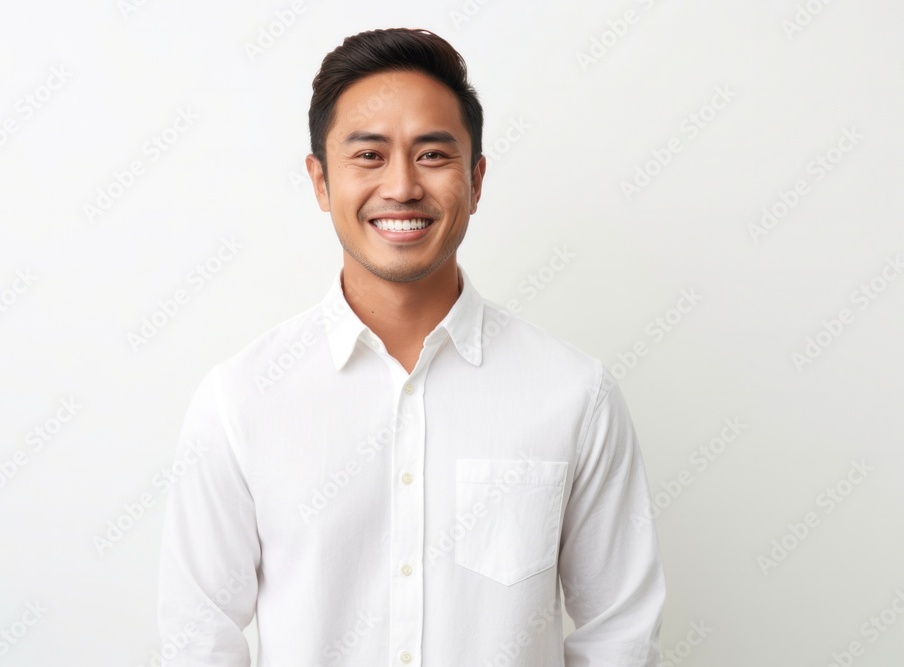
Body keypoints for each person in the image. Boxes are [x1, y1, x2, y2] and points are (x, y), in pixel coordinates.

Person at [157, 27, 665, 666]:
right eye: (369, 155)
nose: (401, 187)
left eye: (433, 155)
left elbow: (620, 636)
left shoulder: (574, 395)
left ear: (476, 181)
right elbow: (197, 640)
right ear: (320, 181)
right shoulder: (239, 401)